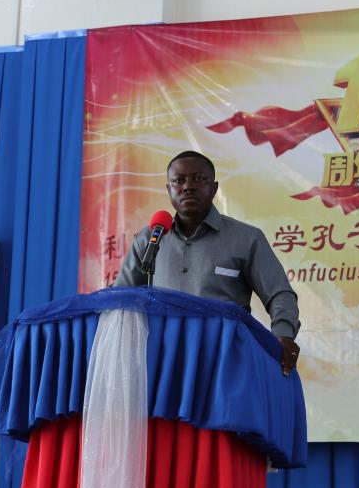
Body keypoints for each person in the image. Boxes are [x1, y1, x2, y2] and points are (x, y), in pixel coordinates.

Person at [114, 150, 301, 375]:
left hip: (224, 362)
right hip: (161, 362)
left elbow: (279, 293)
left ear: (214, 188)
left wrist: (283, 334)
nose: (188, 187)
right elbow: (119, 298)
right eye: (178, 180)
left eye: (198, 179)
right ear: (169, 189)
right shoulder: (150, 238)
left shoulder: (246, 239)